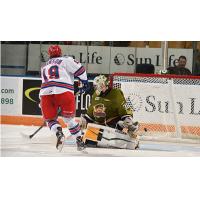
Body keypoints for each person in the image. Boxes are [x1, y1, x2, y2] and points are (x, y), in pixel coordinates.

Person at [39, 45, 90, 151]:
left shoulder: (44, 66)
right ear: (60, 52)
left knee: (50, 120)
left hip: (45, 94)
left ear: (49, 54)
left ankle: (58, 133)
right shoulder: (66, 60)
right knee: (69, 120)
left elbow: (45, 82)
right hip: (64, 92)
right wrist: (85, 82)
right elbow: (80, 70)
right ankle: (79, 141)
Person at [80, 75, 139, 148]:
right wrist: (85, 120)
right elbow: (90, 113)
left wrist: (128, 119)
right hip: (99, 126)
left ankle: (132, 133)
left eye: (96, 86)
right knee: (88, 141)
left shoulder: (116, 94)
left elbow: (125, 108)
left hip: (113, 126)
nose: (95, 88)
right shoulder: (95, 95)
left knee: (122, 125)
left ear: (102, 85)